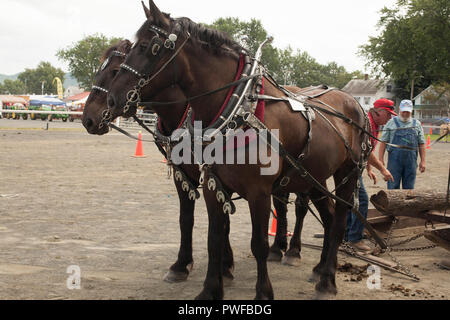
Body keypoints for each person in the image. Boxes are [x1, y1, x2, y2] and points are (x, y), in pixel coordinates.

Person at [344, 98, 395, 253]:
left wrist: (369, 169)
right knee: (362, 201)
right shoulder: (366, 124)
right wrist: (383, 169)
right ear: (380, 112)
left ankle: (346, 235)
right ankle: (354, 239)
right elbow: (366, 151)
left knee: (350, 201)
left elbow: (367, 149)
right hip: (350, 165)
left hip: (355, 165)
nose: (390, 118)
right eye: (389, 114)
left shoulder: (374, 125)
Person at [378, 100, 426, 190]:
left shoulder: (417, 124)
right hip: (394, 162)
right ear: (399, 109)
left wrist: (423, 161)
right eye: (403, 111)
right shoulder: (391, 123)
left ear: (411, 111)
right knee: (392, 187)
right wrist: (380, 160)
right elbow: (383, 142)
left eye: (407, 111)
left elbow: (421, 143)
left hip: (411, 162)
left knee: (409, 189)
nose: (405, 113)